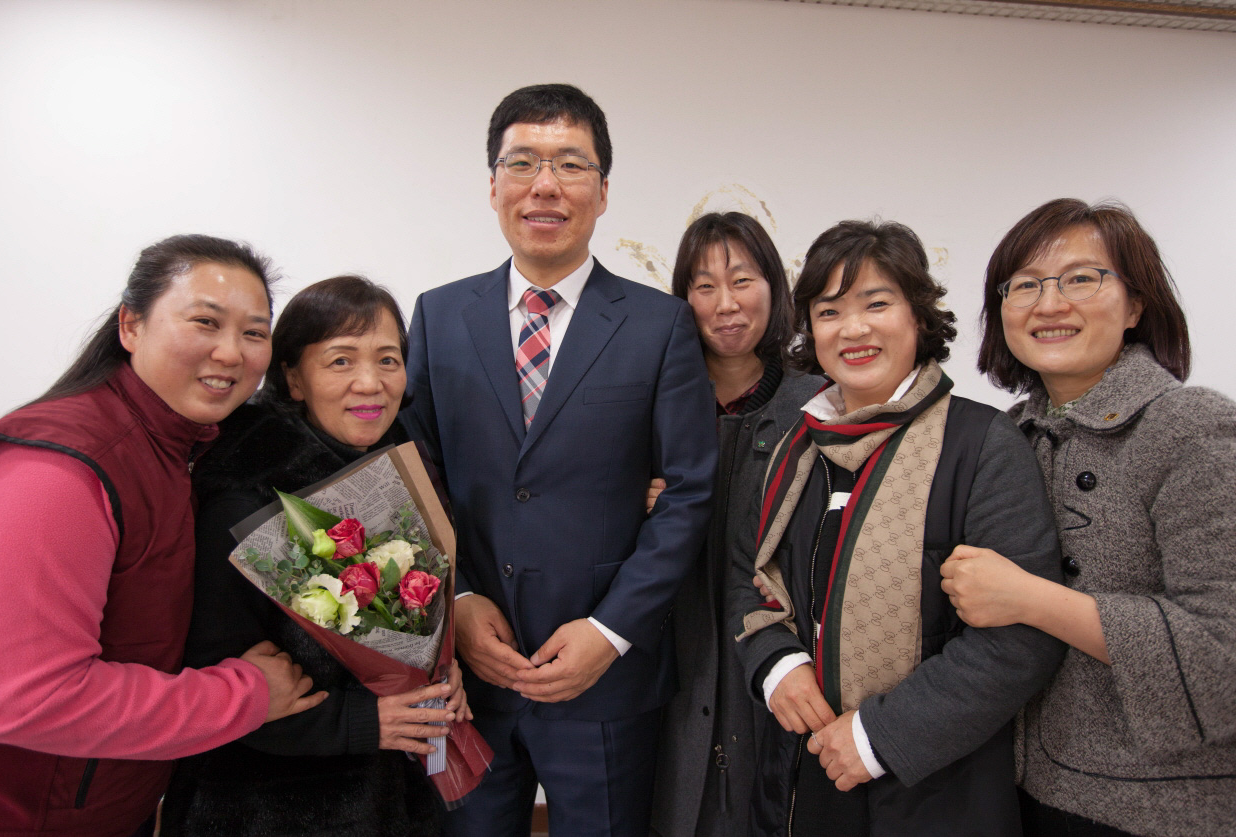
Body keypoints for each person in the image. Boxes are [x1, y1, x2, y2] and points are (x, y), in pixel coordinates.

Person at [402, 83, 717, 837]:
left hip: (606, 680)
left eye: (570, 164)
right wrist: (458, 601)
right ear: (493, 186)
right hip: (469, 676)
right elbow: (415, 475)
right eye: (523, 163)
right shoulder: (438, 315)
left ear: (602, 191)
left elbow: (688, 493)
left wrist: (610, 631)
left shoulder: (660, 325)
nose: (545, 184)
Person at [728, 219, 1066, 836]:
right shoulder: (794, 446)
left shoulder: (982, 444)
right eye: (829, 311)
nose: (853, 329)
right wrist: (776, 664)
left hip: (932, 784)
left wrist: (877, 735)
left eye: (876, 304)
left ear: (918, 316)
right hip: (801, 770)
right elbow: (746, 576)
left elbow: (1021, 640)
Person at [0, 235, 326, 837]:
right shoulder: (61, 472)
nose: (231, 352)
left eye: (254, 332)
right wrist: (244, 695)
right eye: (205, 322)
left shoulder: (184, 448)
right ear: (130, 325)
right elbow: (27, 697)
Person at [942, 198, 1236, 837]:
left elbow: (1223, 656)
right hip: (1017, 791)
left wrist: (1030, 599)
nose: (1049, 304)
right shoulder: (1006, 436)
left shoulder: (1194, 429)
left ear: (1135, 305)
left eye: (1081, 278)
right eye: (1026, 285)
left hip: (1155, 809)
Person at [161, 276, 466, 837]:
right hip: (271, 805)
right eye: (340, 361)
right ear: (294, 379)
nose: (370, 383)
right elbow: (210, 680)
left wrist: (441, 672)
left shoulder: (402, 471)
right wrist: (359, 722)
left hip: (394, 793)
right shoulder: (247, 497)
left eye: (388, 360)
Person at [650, 212, 821, 837]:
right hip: (672, 655)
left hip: (780, 658)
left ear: (774, 287)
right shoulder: (655, 402)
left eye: (743, 280)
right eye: (704, 286)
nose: (726, 303)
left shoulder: (821, 403)